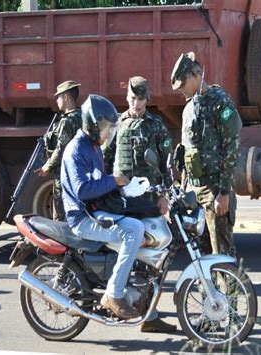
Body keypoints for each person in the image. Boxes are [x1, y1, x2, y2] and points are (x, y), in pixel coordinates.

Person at [61, 94, 143, 320]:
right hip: (83, 217)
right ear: (92, 125)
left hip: (96, 209)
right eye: (104, 127)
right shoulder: (77, 149)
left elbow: (100, 181)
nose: (108, 132)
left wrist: (126, 189)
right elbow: (82, 190)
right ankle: (114, 294)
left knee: (140, 221)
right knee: (134, 230)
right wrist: (114, 181)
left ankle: (132, 287)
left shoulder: (93, 146)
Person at [111, 76, 176, 333]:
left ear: (147, 99)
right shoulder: (118, 123)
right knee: (127, 255)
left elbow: (165, 164)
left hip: (149, 201)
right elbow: (107, 159)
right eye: (132, 99)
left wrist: (165, 196)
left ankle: (149, 314)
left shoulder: (156, 126)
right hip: (123, 201)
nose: (135, 104)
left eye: (140, 99)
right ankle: (125, 301)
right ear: (127, 97)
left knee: (156, 258)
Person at [171, 52, 242, 257]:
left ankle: (232, 290)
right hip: (194, 191)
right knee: (200, 255)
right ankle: (207, 290)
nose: (181, 90)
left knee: (221, 252)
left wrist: (224, 192)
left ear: (196, 75)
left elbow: (232, 148)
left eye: (183, 84)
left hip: (214, 190)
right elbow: (187, 153)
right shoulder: (189, 108)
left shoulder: (220, 102)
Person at [36, 80, 82, 221]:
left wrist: (47, 167)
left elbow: (61, 149)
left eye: (59, 96)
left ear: (66, 97)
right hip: (80, 172)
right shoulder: (82, 116)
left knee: (61, 216)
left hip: (65, 174)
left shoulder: (67, 122)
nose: (56, 100)